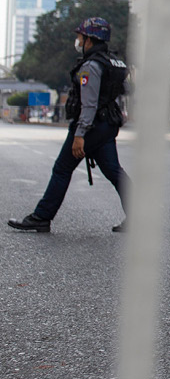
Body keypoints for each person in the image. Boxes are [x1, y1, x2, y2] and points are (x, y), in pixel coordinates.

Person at [8, 17, 132, 233]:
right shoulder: (114, 63)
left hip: (91, 126)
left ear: (90, 40)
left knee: (62, 168)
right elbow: (125, 92)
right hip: (107, 125)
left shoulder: (92, 66)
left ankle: (41, 217)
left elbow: (89, 103)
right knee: (113, 171)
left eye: (80, 37)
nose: (78, 41)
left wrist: (80, 134)